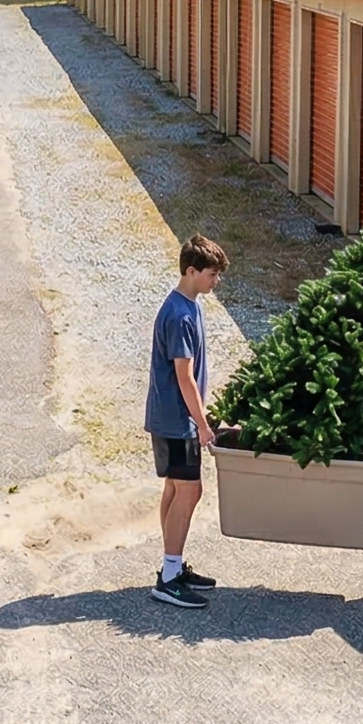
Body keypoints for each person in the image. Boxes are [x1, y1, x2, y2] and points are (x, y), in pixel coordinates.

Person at [146, 234, 229, 608]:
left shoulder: (190, 305)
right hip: (177, 421)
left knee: (175, 490)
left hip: (170, 418)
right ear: (191, 271)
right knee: (189, 492)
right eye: (211, 274)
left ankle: (172, 568)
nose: (216, 281)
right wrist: (203, 424)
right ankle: (168, 577)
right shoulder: (180, 315)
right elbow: (184, 376)